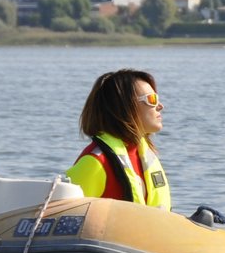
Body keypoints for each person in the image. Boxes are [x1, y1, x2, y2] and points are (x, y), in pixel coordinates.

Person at [65, 69, 171, 209]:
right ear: (126, 107)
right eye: (152, 99)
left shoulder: (144, 156)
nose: (160, 106)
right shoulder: (95, 163)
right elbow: (59, 220)